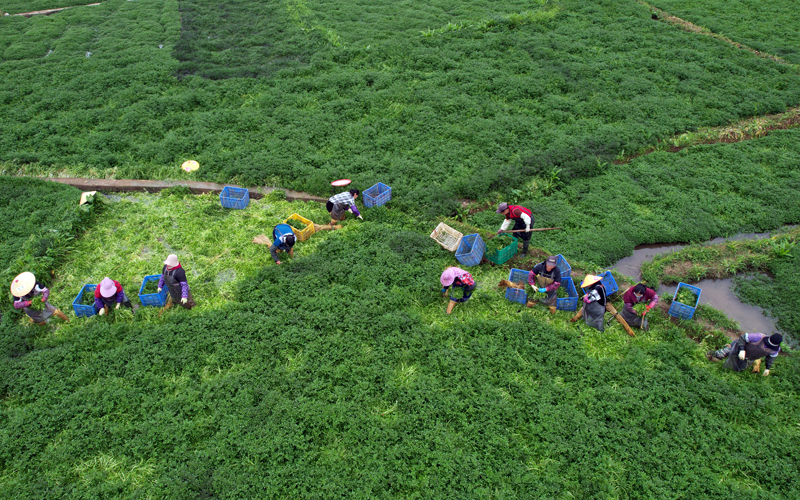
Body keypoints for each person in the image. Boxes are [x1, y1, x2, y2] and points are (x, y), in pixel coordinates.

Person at [708, 333, 782, 376]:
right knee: (720, 354)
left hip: (748, 358)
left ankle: (724, 363)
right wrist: (742, 350)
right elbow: (743, 338)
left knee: (736, 369)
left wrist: (767, 368)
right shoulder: (759, 336)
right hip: (737, 347)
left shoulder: (775, 350)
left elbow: (771, 358)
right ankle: (710, 354)